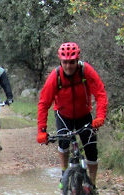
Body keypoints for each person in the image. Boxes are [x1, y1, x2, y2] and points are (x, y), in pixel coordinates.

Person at [35, 42, 108, 187]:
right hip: (63, 115)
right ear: (60, 61)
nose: (69, 66)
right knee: (63, 142)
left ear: (77, 60)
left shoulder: (85, 71)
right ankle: (64, 172)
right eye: (65, 62)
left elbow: (100, 94)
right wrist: (41, 130)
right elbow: (44, 103)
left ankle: (92, 185)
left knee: (91, 151)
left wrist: (100, 116)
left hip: (84, 115)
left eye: (72, 62)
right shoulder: (55, 76)